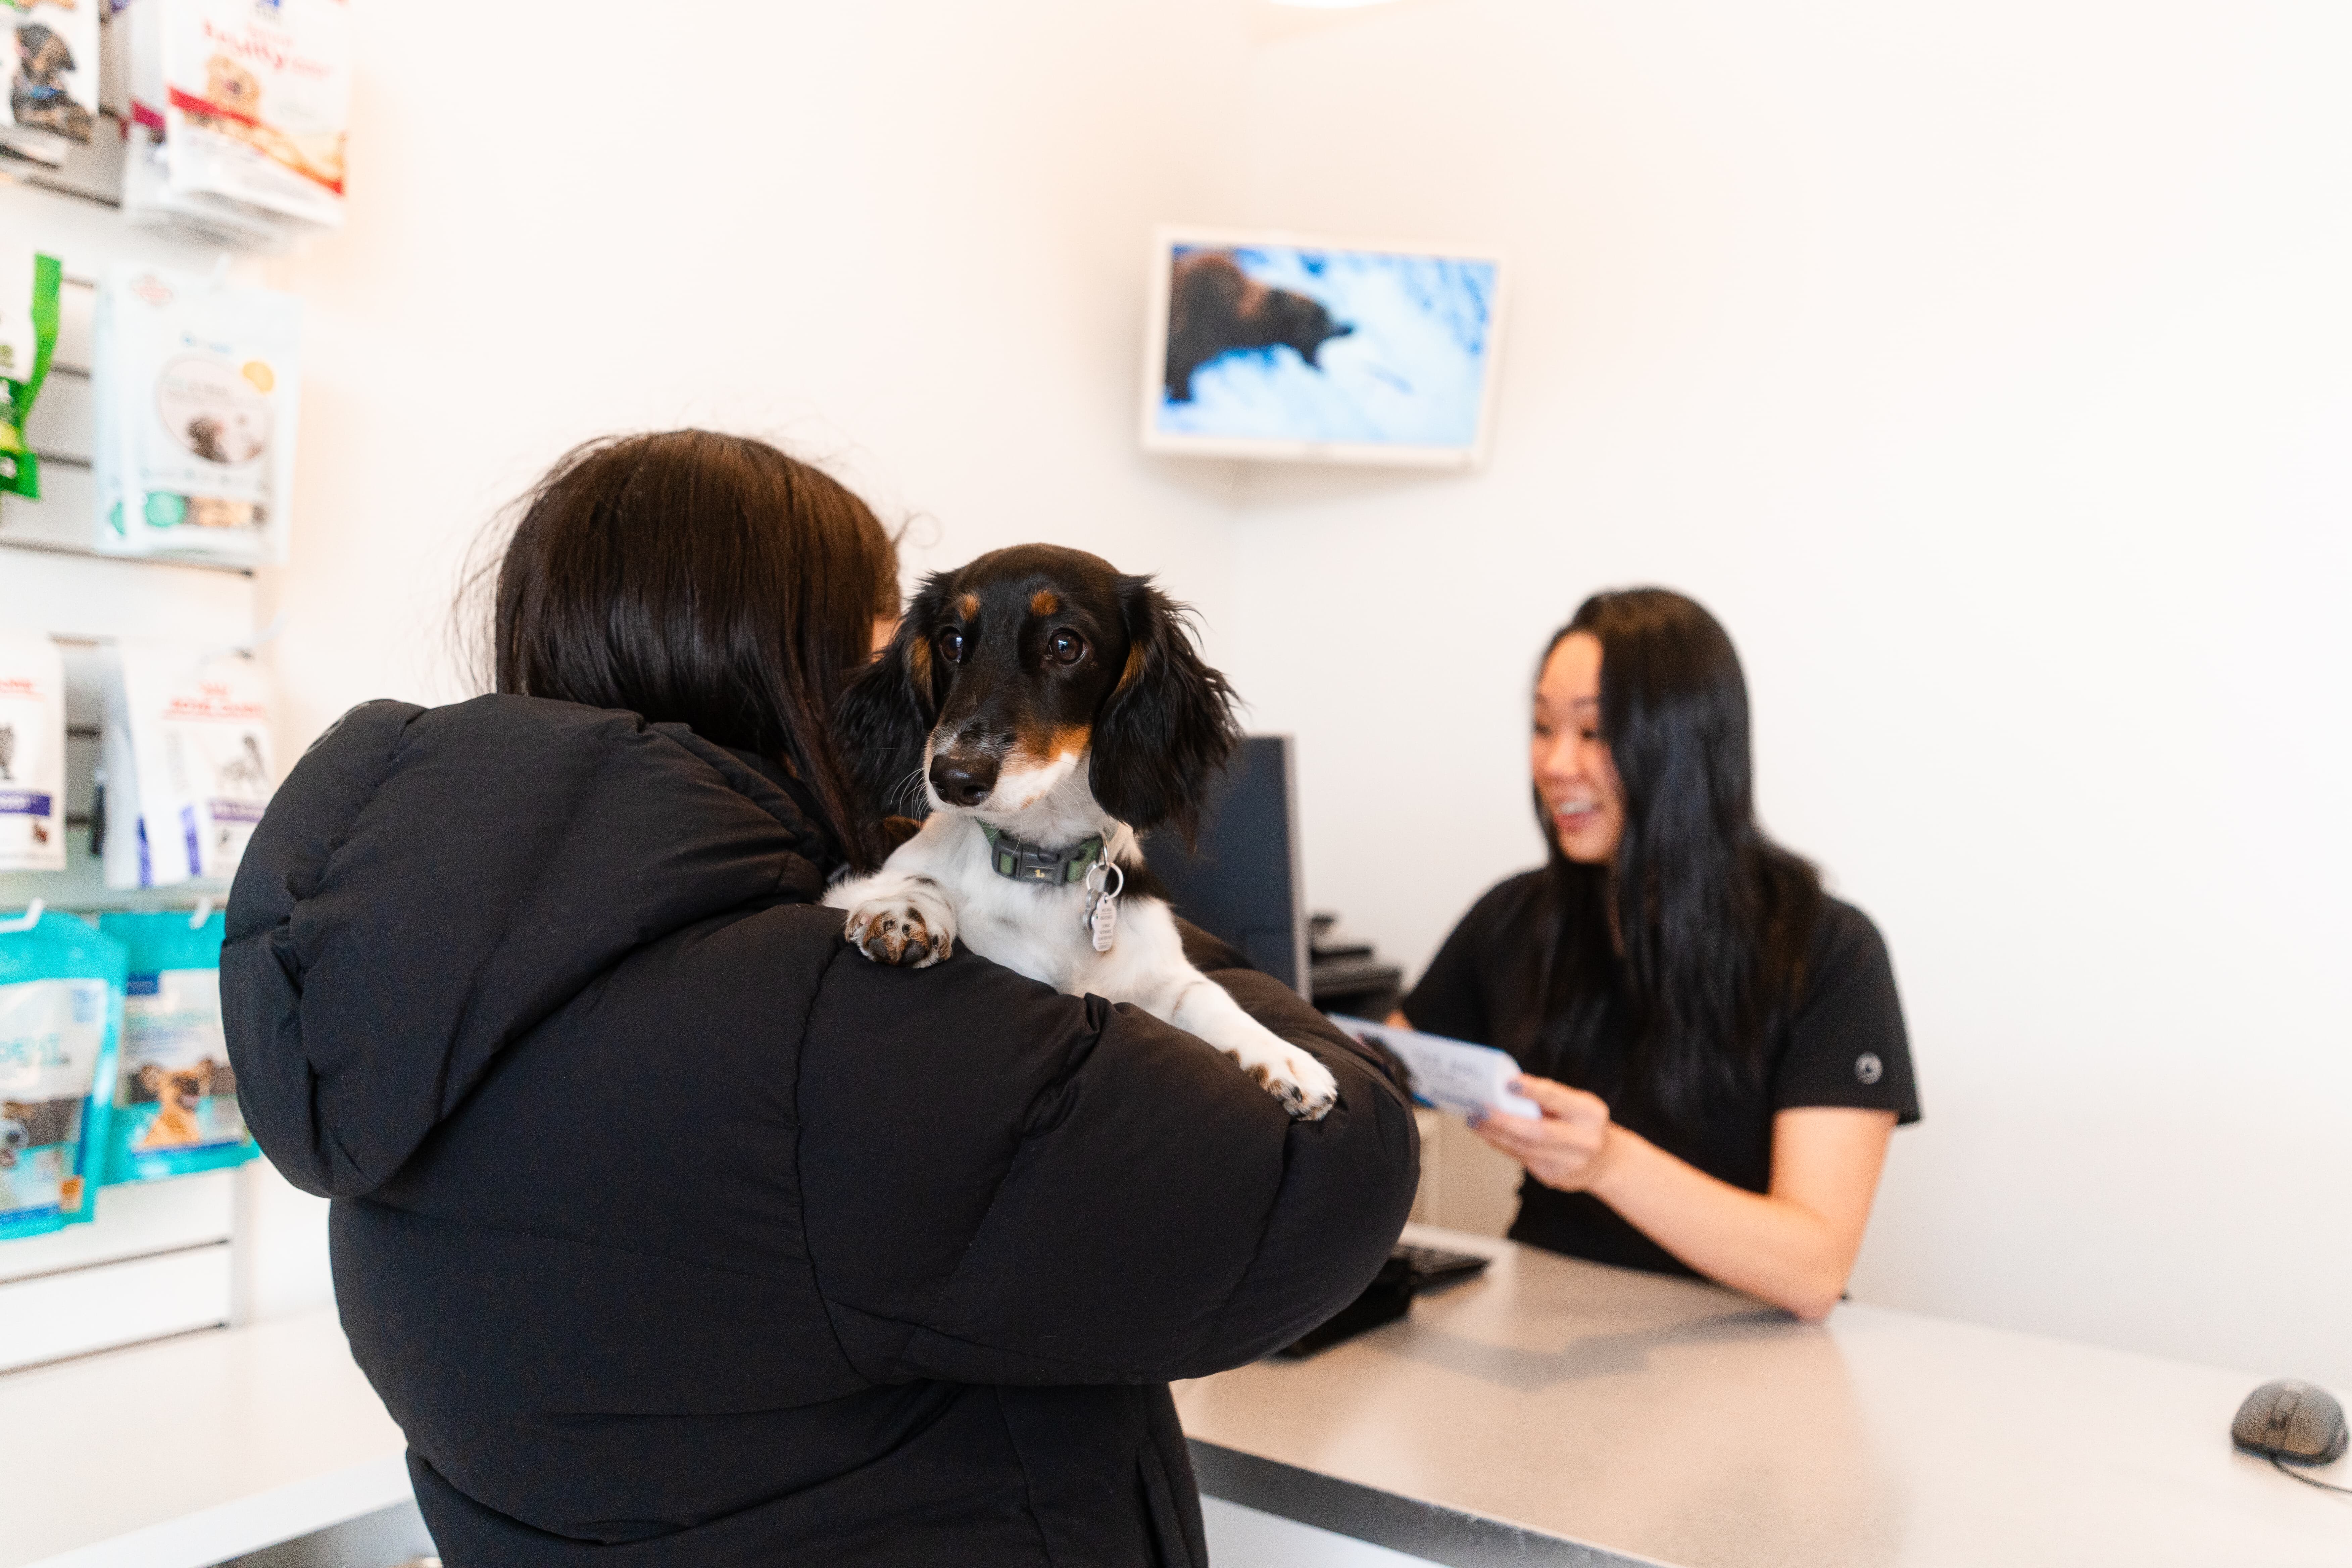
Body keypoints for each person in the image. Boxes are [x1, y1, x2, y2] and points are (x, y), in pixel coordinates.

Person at [221, 430, 1418, 1566]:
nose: (921, 666)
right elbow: (1334, 1176)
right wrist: (1079, 870)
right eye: (896, 624)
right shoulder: (849, 1016)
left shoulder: (410, 983)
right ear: (781, 658)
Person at [1396, 588, 1917, 1320]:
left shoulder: (1829, 950)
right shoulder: (1516, 916)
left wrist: (1607, 1161)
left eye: (1594, 731)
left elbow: (1813, 1268)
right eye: (1543, 726)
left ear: (1687, 743)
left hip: (1749, 1351)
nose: (1555, 762)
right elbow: (1389, 1071)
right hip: (1544, 1329)